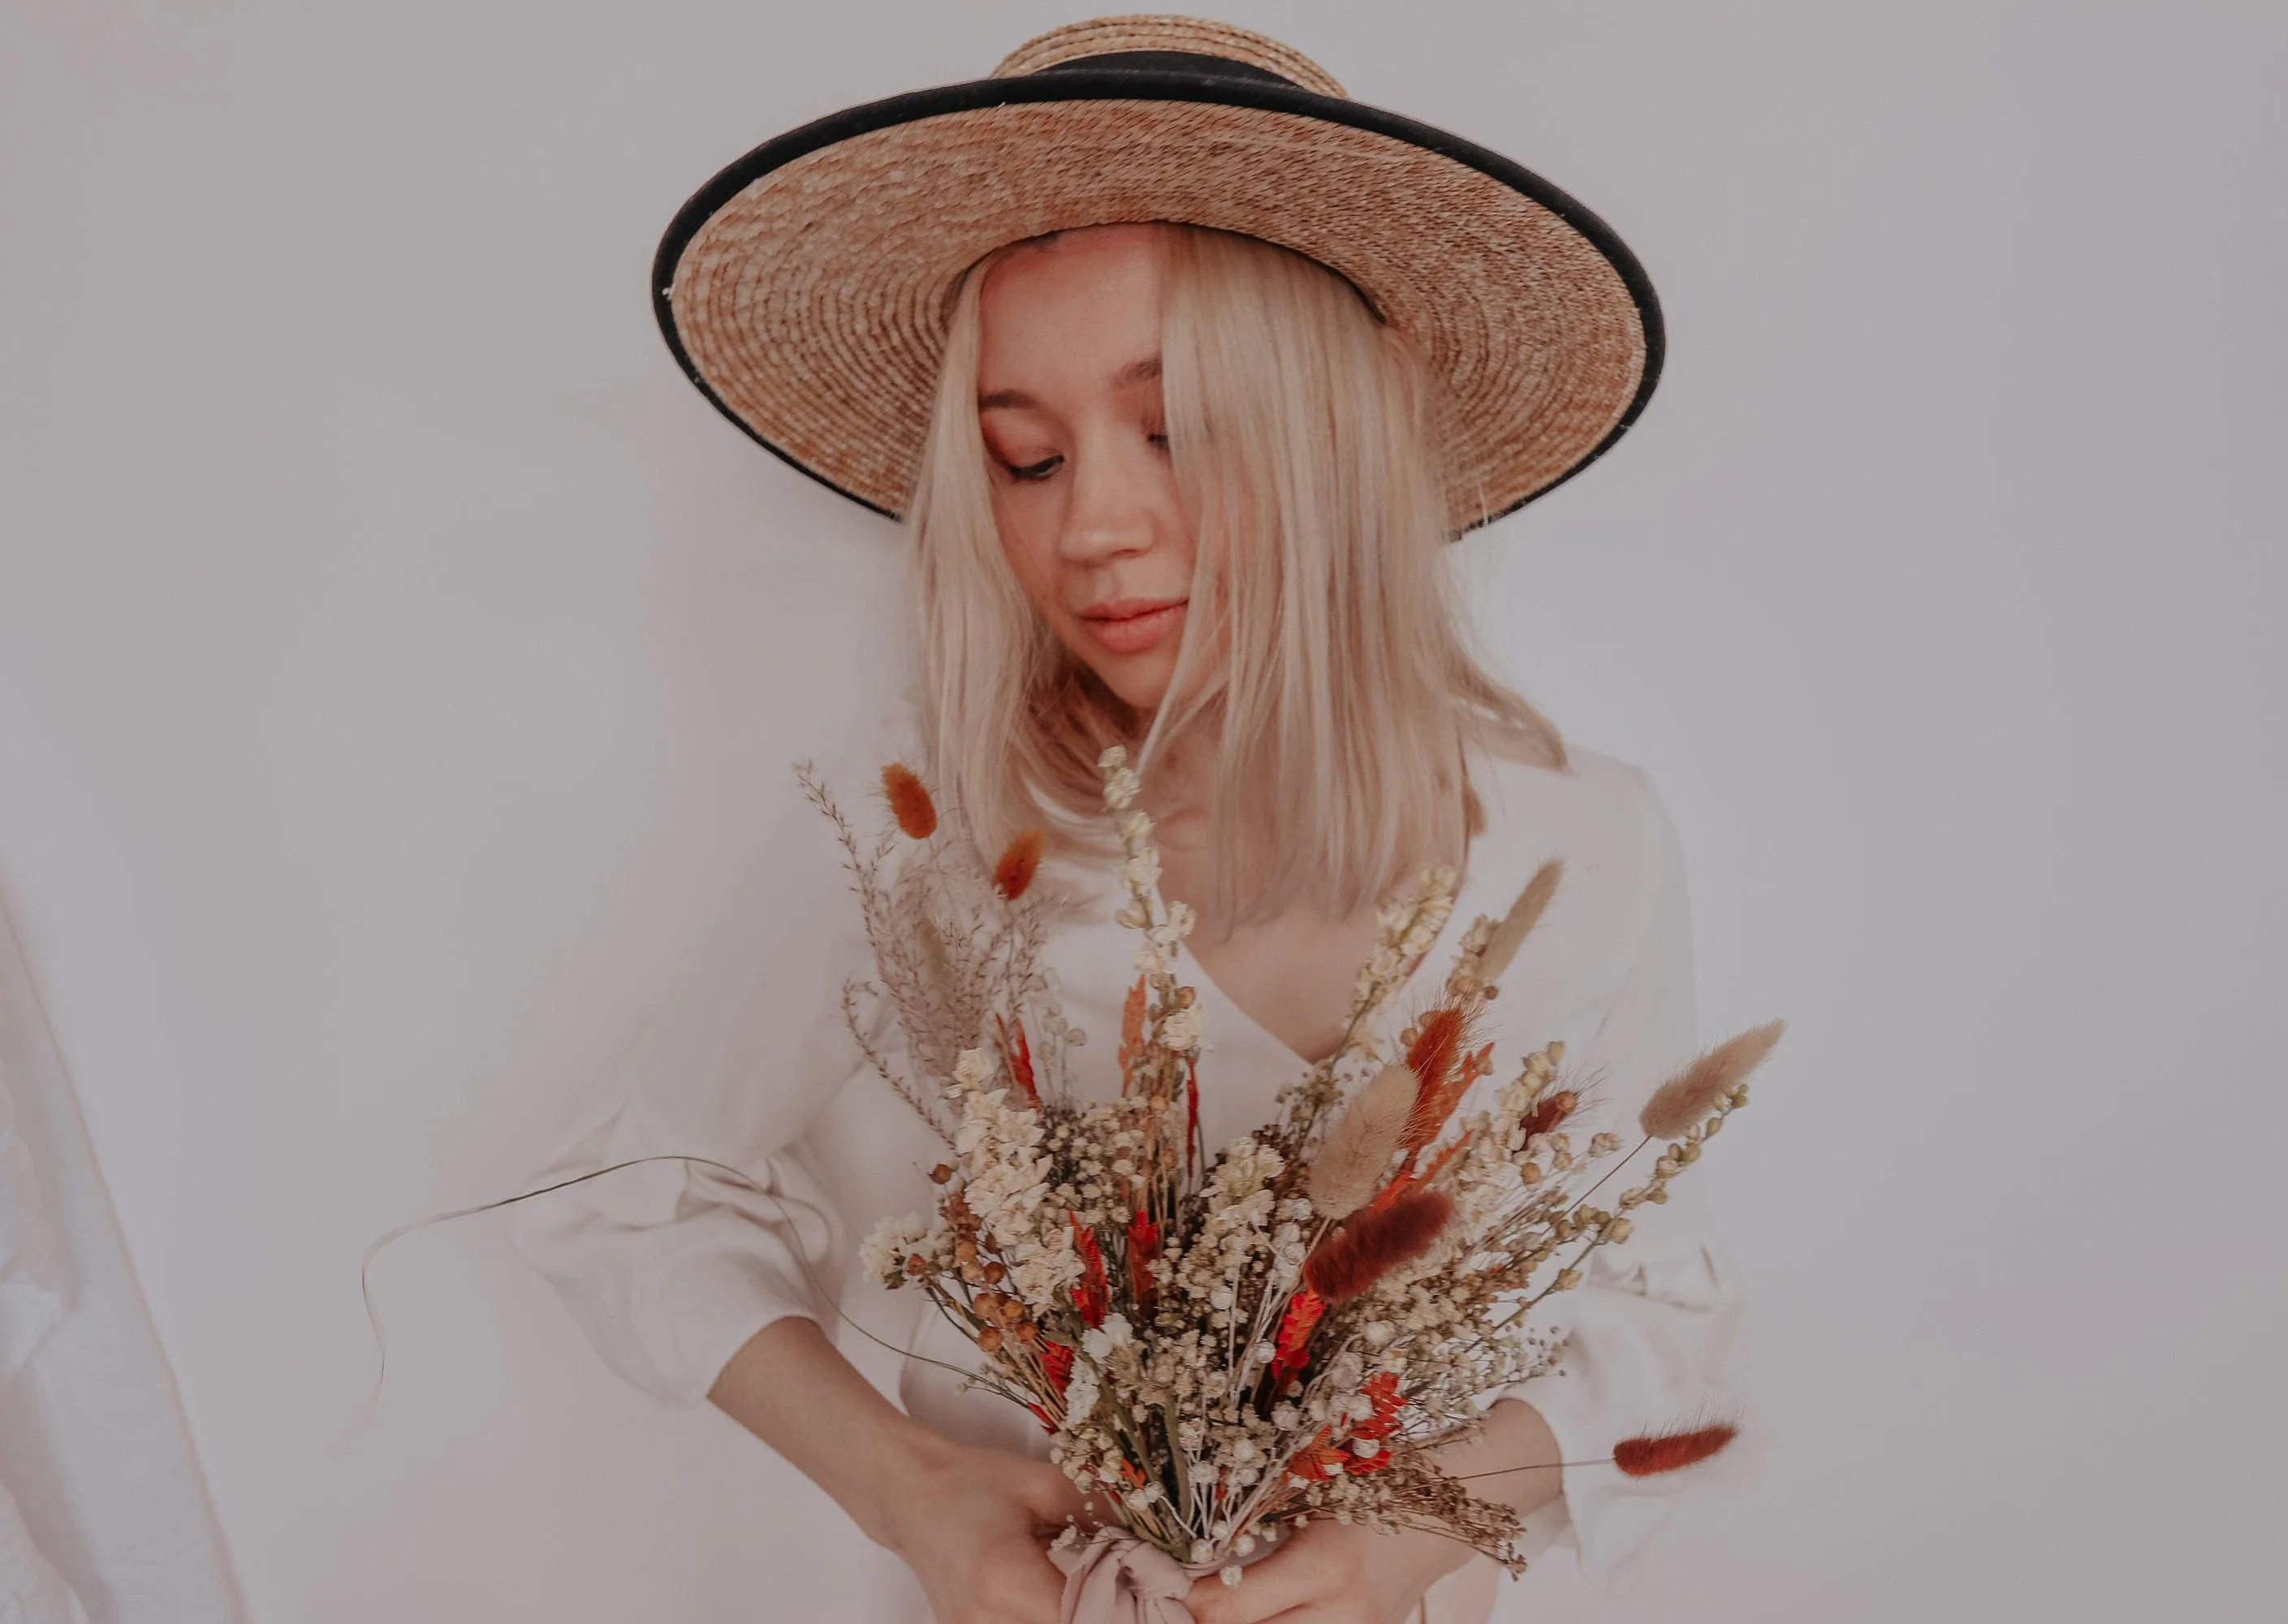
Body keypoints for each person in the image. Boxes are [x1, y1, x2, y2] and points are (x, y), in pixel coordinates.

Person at [513, 18, 1742, 1624]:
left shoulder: (1586, 849)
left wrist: (1407, 1539)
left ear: (1348, 420)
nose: (1091, 522)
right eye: (1024, 456)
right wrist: (916, 1492)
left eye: (1177, 430)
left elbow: (1659, 1304)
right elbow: (627, 1182)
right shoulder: (933, 832)